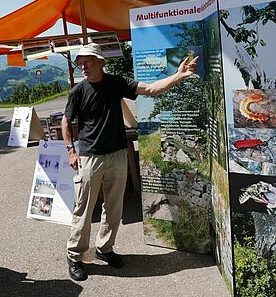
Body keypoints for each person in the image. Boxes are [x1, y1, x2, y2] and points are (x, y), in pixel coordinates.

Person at [63, 43, 198, 281]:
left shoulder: (117, 83)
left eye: (88, 61)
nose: (83, 66)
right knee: (84, 210)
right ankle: (74, 256)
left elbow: (151, 89)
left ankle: (105, 249)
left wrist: (179, 75)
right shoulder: (78, 91)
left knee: (114, 209)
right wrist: (70, 151)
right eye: (80, 62)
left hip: (116, 155)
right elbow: (67, 122)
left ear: (101, 62)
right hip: (90, 156)